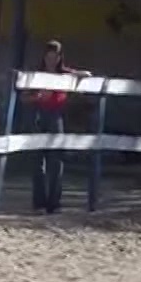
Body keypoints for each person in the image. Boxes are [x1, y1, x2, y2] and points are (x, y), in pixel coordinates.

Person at [23, 40, 88, 214]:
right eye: (49, 56)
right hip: (39, 115)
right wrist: (38, 97)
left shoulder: (64, 75)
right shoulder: (37, 76)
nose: (51, 60)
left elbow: (83, 74)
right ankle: (39, 203)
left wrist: (80, 76)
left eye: (55, 57)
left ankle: (55, 202)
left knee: (56, 162)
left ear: (60, 58)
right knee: (38, 162)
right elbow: (24, 97)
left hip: (56, 116)